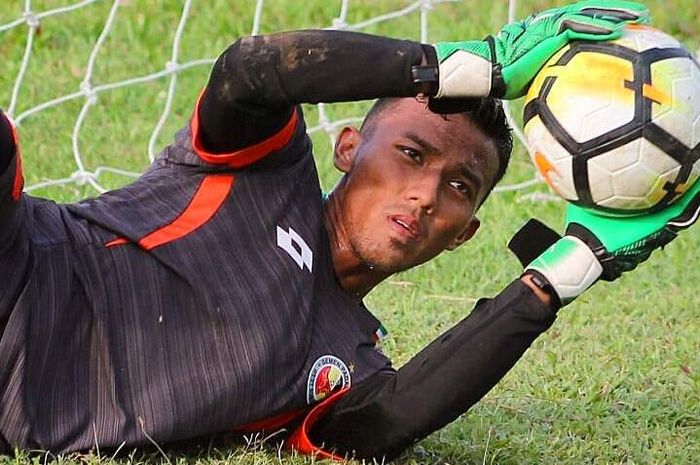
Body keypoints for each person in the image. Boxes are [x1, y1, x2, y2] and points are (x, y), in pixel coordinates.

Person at [0, 0, 696, 461]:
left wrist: (577, 264)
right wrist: (461, 65)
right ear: (346, 148)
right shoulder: (260, 172)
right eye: (411, 153)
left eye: (458, 187)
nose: (425, 194)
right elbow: (250, 71)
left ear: (463, 233)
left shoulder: (349, 364)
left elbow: (386, 424)